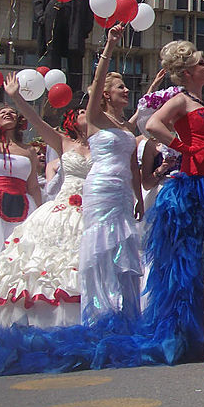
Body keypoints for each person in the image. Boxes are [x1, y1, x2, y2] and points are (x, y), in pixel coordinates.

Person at [137, 40, 204, 363]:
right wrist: (183, 148)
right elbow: (152, 125)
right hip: (189, 188)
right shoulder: (181, 99)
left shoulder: (203, 99)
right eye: (202, 63)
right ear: (188, 72)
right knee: (184, 264)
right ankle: (182, 335)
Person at [0, 78, 91, 328]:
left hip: (91, 207)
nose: (85, 114)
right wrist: (17, 98)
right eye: (80, 111)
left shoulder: (103, 144)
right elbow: (37, 121)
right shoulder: (63, 142)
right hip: (57, 209)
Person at [80, 23, 144, 325]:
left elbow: (133, 164)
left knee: (124, 249)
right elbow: (97, 76)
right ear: (105, 94)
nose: (127, 90)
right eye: (121, 87)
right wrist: (110, 45)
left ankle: (127, 315)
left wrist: (138, 197)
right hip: (101, 188)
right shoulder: (95, 119)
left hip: (123, 192)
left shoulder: (125, 128)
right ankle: (100, 314)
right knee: (102, 247)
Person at [0, 102, 42, 325]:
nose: (9, 114)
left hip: (24, 207)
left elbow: (34, 186)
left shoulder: (28, 150)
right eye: (3, 112)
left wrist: (40, 215)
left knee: (17, 258)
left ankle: (11, 316)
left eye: (13, 112)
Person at [33, 0, 93, 92]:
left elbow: (88, 6)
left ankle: (76, 91)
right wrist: (41, 16)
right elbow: (37, 0)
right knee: (53, 52)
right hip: (52, 17)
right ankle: (53, 88)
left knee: (75, 55)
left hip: (74, 21)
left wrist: (85, 28)